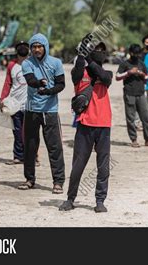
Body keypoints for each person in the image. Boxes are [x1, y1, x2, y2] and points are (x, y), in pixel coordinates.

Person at [59, 36, 113, 213]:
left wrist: (89, 56)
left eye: (102, 50)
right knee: (78, 165)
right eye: (96, 49)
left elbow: (103, 76)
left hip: (104, 124)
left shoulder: (107, 74)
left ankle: (100, 200)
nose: (100, 53)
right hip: (85, 124)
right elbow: (78, 70)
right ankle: (70, 198)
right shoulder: (79, 74)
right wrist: (81, 54)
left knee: (103, 166)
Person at [18, 33, 66, 194]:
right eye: (34, 47)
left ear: (45, 47)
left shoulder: (56, 62)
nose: (37, 49)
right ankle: (29, 179)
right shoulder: (27, 63)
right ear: (31, 49)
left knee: (54, 147)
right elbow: (30, 80)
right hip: (32, 110)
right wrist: (39, 84)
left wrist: (49, 91)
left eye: (39, 46)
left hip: (50, 111)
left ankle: (58, 181)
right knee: (30, 146)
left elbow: (61, 84)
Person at [117, 44, 148, 148]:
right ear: (130, 53)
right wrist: (129, 72)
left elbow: (147, 77)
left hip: (141, 94)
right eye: (134, 53)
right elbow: (117, 76)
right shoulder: (124, 64)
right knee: (130, 118)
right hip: (129, 94)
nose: (136, 55)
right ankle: (134, 140)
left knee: (147, 118)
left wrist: (141, 74)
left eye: (138, 53)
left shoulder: (141, 64)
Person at [0, 41, 29, 164]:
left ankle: (32, 157)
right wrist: (2, 99)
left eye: (25, 47)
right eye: (20, 47)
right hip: (14, 104)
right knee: (17, 131)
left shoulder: (34, 64)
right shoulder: (12, 65)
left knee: (29, 132)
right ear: (16, 51)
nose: (23, 49)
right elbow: (7, 83)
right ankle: (18, 156)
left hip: (30, 104)